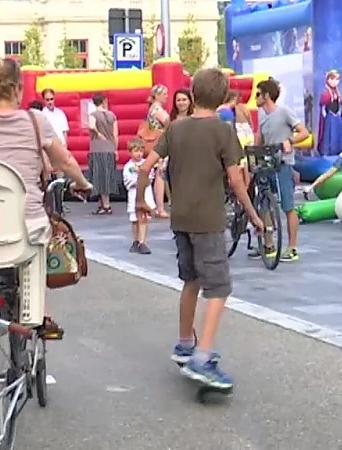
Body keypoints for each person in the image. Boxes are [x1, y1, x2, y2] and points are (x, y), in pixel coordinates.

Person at [135, 68, 263, 389]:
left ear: (192, 94)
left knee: (190, 279)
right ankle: (203, 357)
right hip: (208, 219)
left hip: (181, 218)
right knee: (218, 287)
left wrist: (141, 200)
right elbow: (235, 179)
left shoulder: (175, 129)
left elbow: (146, 166)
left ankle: (184, 342)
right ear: (222, 98)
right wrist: (254, 214)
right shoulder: (223, 131)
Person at [0, 57, 92, 334]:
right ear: (17, 89)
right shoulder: (36, 121)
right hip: (24, 228)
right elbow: (66, 162)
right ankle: (35, 317)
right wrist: (84, 184)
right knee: (35, 249)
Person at [255, 78, 310, 262]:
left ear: (267, 96)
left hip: (283, 164)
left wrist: (290, 141)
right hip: (266, 164)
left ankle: (292, 247)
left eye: (258, 94)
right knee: (265, 204)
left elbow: (304, 132)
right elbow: (260, 139)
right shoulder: (261, 116)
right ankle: (268, 244)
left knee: (288, 205)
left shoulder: (284, 112)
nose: (255, 98)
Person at [87, 92, 120, 215]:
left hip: (97, 148)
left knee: (99, 176)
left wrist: (97, 133)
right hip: (109, 148)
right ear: (104, 101)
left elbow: (91, 125)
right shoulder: (112, 115)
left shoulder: (93, 115)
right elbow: (116, 134)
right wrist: (115, 149)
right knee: (108, 176)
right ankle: (104, 203)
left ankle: (105, 205)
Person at [123, 138, 154, 254]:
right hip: (133, 195)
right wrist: (136, 178)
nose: (139, 154)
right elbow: (128, 182)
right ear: (130, 152)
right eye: (136, 151)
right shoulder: (128, 167)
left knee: (143, 219)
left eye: (141, 151)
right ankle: (135, 240)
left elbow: (150, 178)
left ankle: (142, 241)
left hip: (145, 195)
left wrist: (142, 175)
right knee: (135, 220)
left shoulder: (146, 164)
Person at [143, 84, 170, 218]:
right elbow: (167, 122)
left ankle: (160, 205)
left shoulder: (152, 109)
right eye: (165, 94)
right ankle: (160, 207)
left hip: (155, 142)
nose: (167, 97)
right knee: (160, 173)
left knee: (160, 173)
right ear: (158, 95)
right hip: (160, 143)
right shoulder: (157, 109)